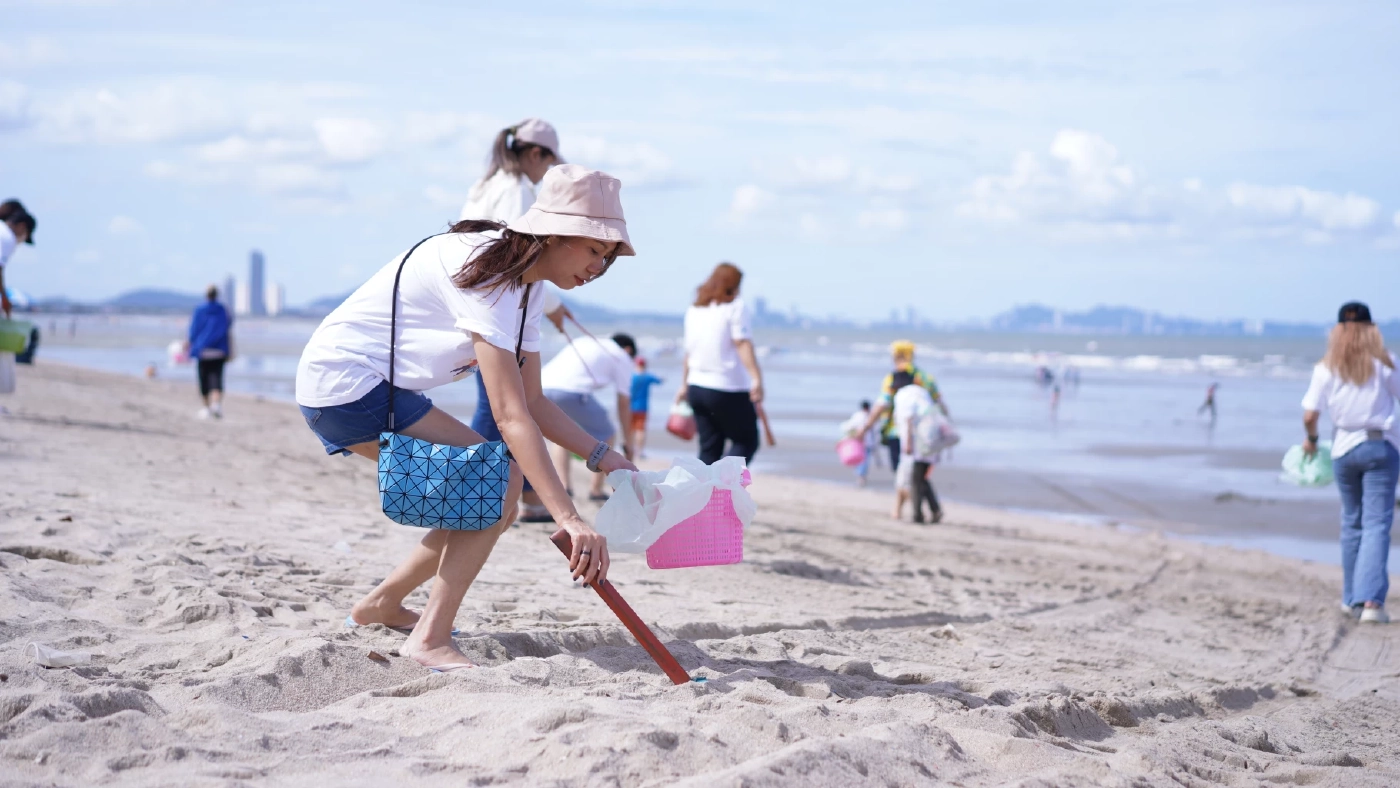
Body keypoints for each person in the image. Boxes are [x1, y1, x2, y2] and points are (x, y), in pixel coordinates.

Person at [295, 165, 638, 671]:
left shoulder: (529, 286)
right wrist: (568, 517)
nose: (598, 266)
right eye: (593, 249)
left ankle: (381, 606)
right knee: (498, 483)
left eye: (606, 257)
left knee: (490, 496)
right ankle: (428, 638)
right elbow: (509, 413)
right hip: (347, 386)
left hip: (367, 388)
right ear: (556, 233)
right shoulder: (491, 273)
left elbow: (536, 402)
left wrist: (605, 457)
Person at [459, 117, 571, 523]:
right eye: (550, 161)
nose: (548, 172)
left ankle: (520, 494)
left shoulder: (486, 186)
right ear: (535, 153)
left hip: (477, 304)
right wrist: (555, 308)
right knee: (504, 407)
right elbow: (521, 254)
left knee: (503, 404)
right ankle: (480, 491)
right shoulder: (517, 190)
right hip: (496, 307)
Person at [1302, 301, 1399, 625]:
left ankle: (1350, 599)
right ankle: (1370, 602)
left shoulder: (1326, 367)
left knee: (1352, 523)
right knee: (1376, 525)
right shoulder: (1386, 363)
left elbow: (1310, 415)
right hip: (1378, 447)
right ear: (1373, 329)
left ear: (1338, 330)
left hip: (1343, 449)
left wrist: (1312, 441)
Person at [675, 262, 765, 465]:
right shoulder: (735, 306)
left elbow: (689, 351)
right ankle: (721, 489)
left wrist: (684, 385)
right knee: (746, 441)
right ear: (733, 284)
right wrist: (756, 378)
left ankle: (703, 493)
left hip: (696, 386)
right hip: (726, 387)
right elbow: (742, 343)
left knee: (709, 447)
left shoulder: (695, 309)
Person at [540, 331, 637, 501]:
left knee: (562, 435)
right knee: (607, 433)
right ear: (628, 350)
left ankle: (565, 486)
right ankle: (596, 489)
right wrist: (628, 441)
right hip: (571, 392)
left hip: (541, 388)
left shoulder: (586, 341)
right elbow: (623, 402)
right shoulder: (621, 355)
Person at [859, 340, 950, 519]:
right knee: (918, 473)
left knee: (905, 473)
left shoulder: (893, 377)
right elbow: (941, 405)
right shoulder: (926, 378)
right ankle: (925, 509)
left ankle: (909, 510)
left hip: (898, 432)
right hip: (926, 434)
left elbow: (881, 404)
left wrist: (866, 427)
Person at [891, 371, 943, 523]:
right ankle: (934, 510)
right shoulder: (922, 392)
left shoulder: (902, 394)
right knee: (920, 476)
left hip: (917, 441)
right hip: (933, 437)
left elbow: (907, 418)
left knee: (914, 478)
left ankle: (917, 514)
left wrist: (907, 443)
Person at [185, 285, 234, 419]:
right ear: (217, 295)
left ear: (206, 295)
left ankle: (206, 408)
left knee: (204, 380)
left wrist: (188, 344)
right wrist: (230, 350)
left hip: (203, 350)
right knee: (217, 380)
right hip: (219, 351)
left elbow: (194, 330)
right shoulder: (223, 310)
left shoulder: (199, 310)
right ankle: (216, 405)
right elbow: (228, 329)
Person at [0, 199, 36, 319]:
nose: (20, 242)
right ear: (22, 226)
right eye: (24, 237)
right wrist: (4, 298)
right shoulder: (7, 236)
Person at [629, 357, 663, 458]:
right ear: (645, 365)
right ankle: (639, 452)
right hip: (642, 407)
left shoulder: (631, 377)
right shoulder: (647, 377)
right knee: (640, 430)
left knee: (631, 429)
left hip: (630, 407)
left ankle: (630, 449)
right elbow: (659, 381)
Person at [839, 400, 875, 487]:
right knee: (864, 460)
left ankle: (860, 476)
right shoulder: (869, 416)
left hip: (861, 442)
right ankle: (861, 477)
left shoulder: (859, 416)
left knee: (862, 460)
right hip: (863, 442)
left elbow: (846, 426)